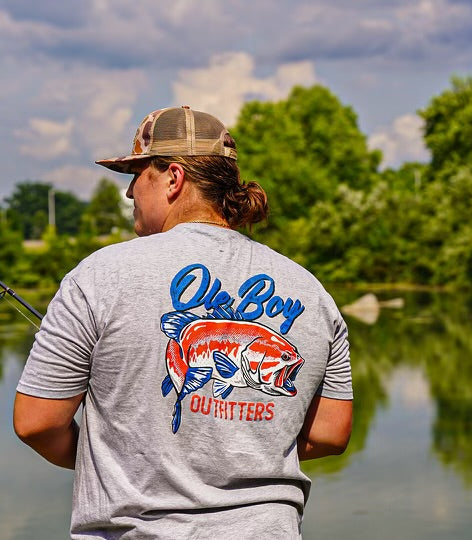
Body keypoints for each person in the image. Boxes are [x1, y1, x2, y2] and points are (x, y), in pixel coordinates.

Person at [13, 105, 353, 539]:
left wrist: (121, 455)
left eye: (137, 174)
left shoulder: (98, 276)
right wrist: (234, 451)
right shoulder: (312, 291)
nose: (129, 193)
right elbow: (329, 433)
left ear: (173, 178)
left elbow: (36, 421)